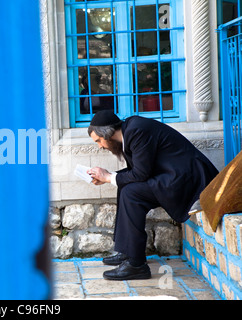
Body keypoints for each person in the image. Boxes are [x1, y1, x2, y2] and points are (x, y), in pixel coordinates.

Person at [86, 110, 219, 280]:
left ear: (108, 134)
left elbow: (141, 174)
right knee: (125, 187)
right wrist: (107, 177)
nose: (100, 146)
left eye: (99, 141)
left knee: (131, 193)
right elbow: (139, 171)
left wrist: (109, 177)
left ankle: (136, 264)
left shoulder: (136, 131)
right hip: (171, 176)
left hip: (188, 180)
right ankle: (127, 251)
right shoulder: (129, 132)